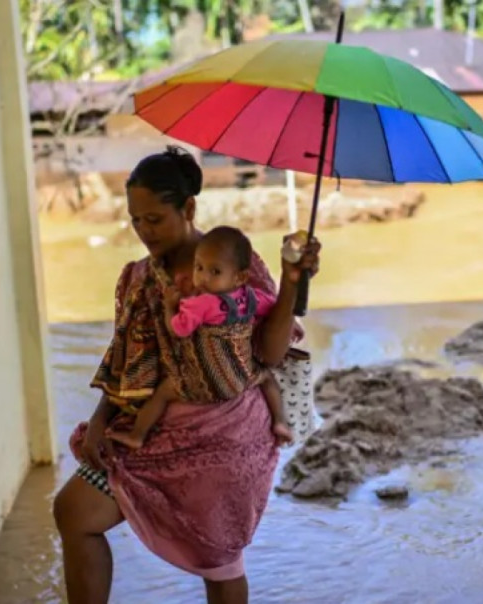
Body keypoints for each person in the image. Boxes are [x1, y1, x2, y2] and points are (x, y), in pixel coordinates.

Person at [52, 146, 321, 604]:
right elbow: (126, 360)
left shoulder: (237, 264)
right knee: (74, 511)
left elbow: (270, 354)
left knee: (217, 562)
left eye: (154, 219)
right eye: (136, 220)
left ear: (189, 208)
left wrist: (292, 281)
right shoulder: (137, 278)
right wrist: (99, 421)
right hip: (153, 429)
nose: (143, 231)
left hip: (228, 434)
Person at [105, 225, 294, 450]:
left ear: (240, 276)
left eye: (214, 272)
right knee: (268, 379)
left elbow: (178, 330)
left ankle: (137, 434)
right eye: (199, 267)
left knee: (163, 393)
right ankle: (281, 421)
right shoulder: (252, 298)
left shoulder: (201, 304)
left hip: (204, 385)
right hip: (241, 379)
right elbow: (274, 308)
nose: (203, 278)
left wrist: (170, 308)